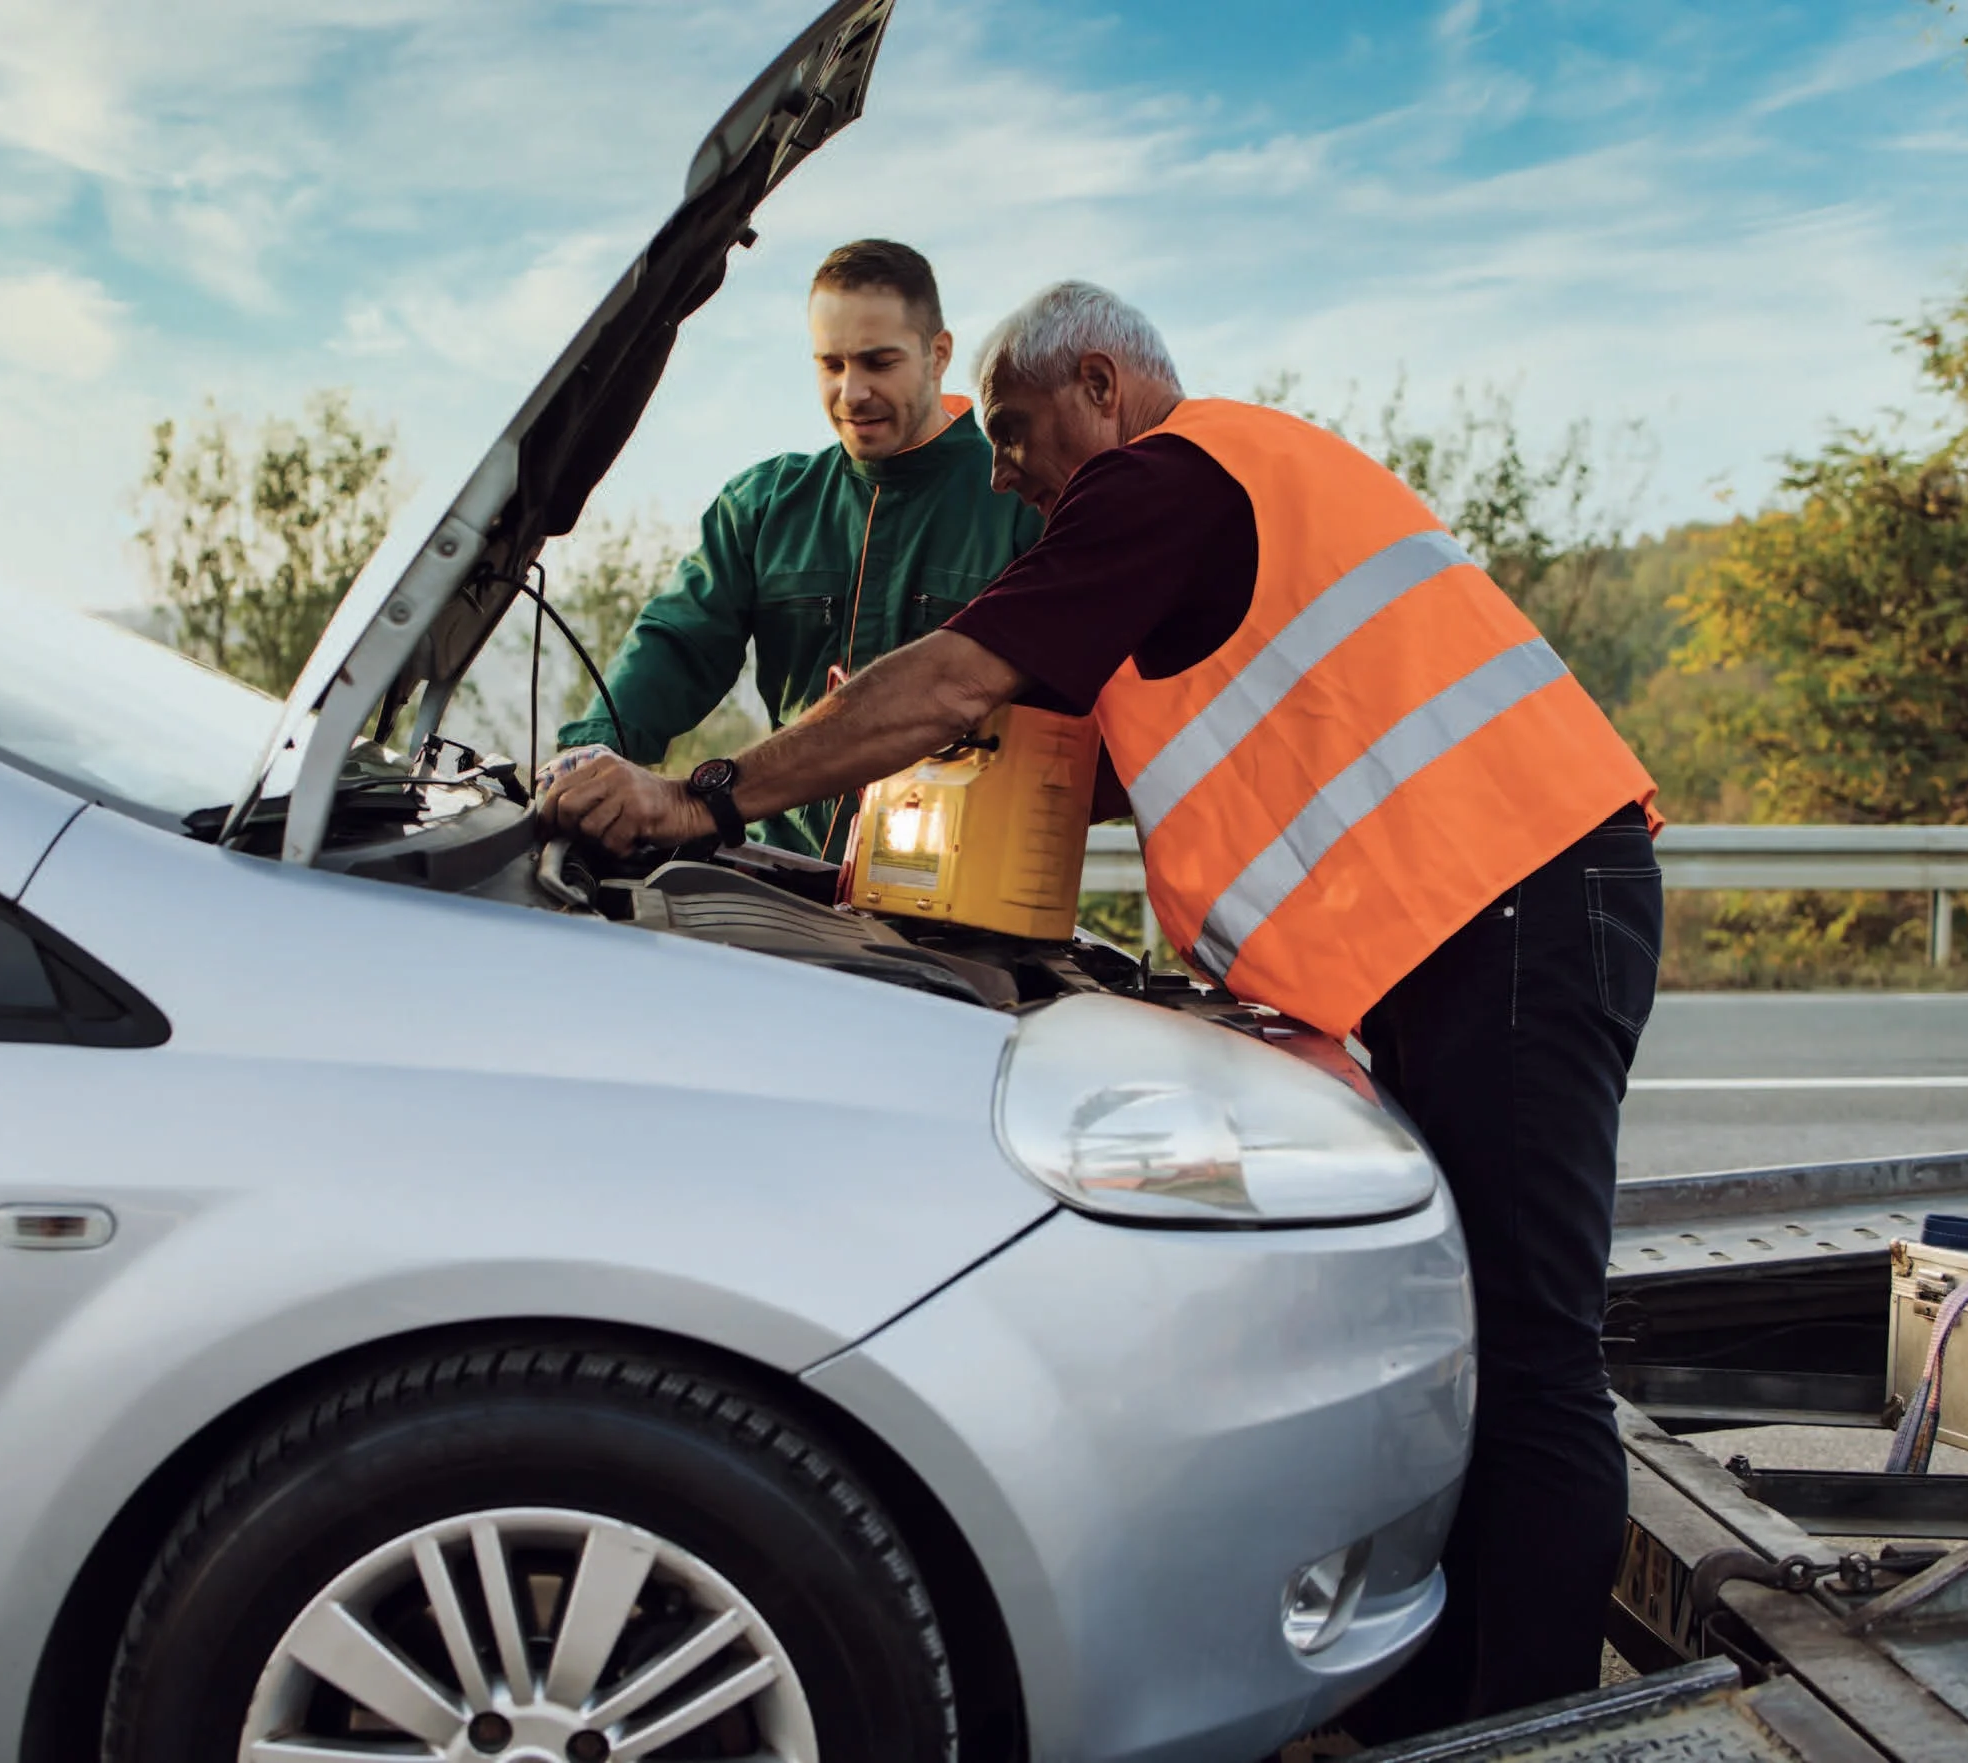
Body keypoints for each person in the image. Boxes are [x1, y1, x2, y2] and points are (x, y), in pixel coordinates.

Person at [541, 281, 1665, 1737]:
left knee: (1528, 1347)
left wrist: (704, 793)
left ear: (1098, 385)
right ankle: (1444, 1696)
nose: (999, 470)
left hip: (1518, 907)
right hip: (1482, 923)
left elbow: (956, 680)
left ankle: (1536, 1723)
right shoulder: (1199, 516)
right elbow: (1076, 751)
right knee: (1477, 1330)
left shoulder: (1168, 474)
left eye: (1011, 435)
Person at [546, 238, 1040, 856]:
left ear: (938, 355)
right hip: (781, 872)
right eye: (831, 365)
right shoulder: (761, 506)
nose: (851, 392)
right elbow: (675, 644)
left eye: (878, 362)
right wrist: (590, 755)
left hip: (958, 899)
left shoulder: (1022, 502)